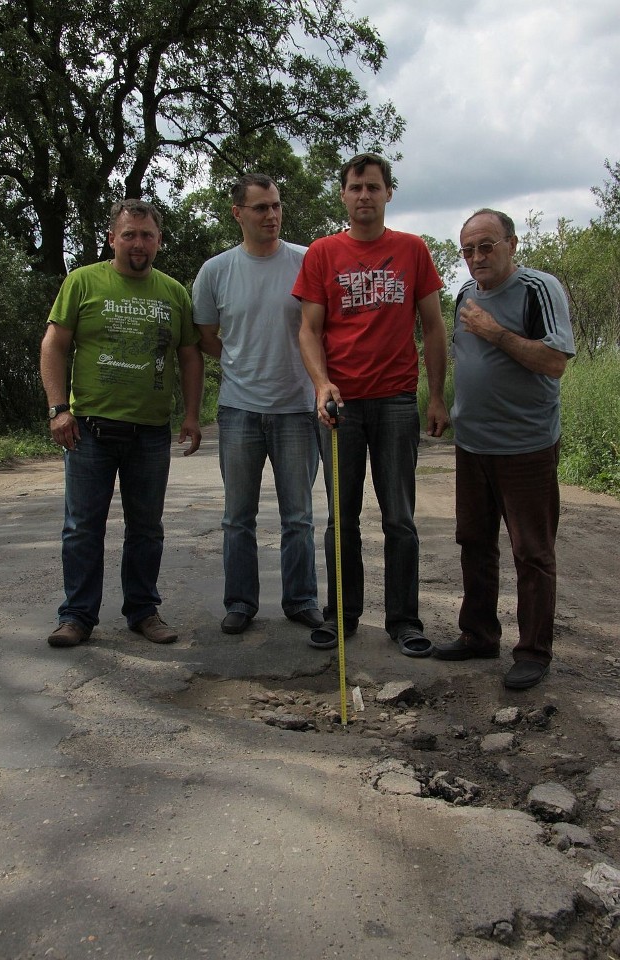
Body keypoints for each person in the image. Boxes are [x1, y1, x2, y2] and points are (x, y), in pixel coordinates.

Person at [293, 153, 449, 654]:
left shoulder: (412, 251)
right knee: (342, 518)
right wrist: (321, 384)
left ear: (388, 193)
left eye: (373, 187)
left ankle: (404, 621)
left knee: (399, 517)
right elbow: (309, 330)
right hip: (342, 407)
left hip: (397, 402)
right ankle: (342, 616)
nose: (364, 195)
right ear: (343, 194)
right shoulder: (322, 253)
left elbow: (434, 326)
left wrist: (438, 396)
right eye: (356, 187)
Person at [40, 199, 204, 648]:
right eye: (129, 234)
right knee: (82, 527)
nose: (138, 243)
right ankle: (76, 616)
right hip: (87, 429)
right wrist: (58, 408)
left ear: (159, 241)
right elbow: (54, 345)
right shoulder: (83, 282)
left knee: (147, 528)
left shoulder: (173, 292)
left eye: (147, 235)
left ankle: (143, 611)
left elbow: (190, 357)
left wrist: (191, 415)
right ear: (112, 238)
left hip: (150, 432)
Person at [433, 208, 575, 690]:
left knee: (532, 552)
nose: (476, 257)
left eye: (486, 245)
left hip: (526, 448)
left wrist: (495, 333)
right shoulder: (465, 295)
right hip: (472, 446)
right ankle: (478, 636)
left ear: (511, 244)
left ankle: (533, 652)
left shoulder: (539, 289)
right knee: (473, 542)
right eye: (467, 249)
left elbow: (554, 361)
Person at [192, 173, 321, 635]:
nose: (272, 215)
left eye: (276, 206)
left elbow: (323, 330)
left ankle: (302, 599)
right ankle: (241, 603)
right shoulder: (216, 271)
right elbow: (207, 336)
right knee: (236, 517)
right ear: (238, 213)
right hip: (239, 409)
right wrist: (241, 359)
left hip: (297, 408)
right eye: (261, 207)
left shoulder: (306, 261)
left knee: (299, 517)